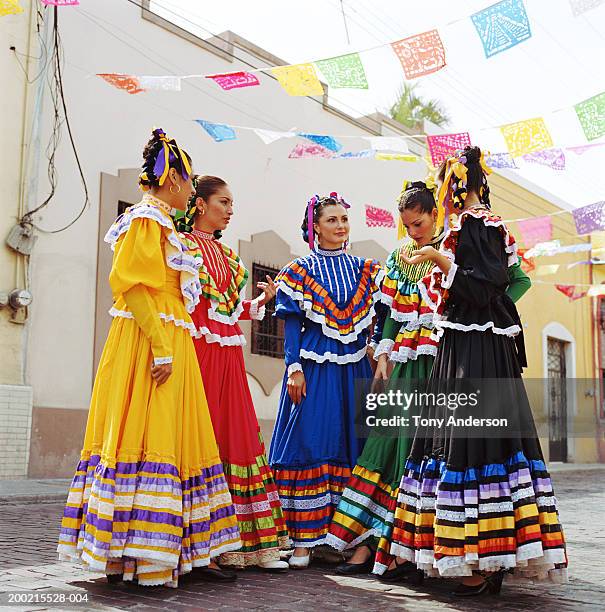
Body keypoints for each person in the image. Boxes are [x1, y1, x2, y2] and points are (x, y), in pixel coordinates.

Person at [57, 129, 241, 588]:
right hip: (150, 336)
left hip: (167, 332)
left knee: (170, 436)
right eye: (189, 178)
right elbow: (133, 285)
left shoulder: (160, 222)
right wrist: (160, 345)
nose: (190, 187)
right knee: (147, 431)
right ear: (174, 178)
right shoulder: (147, 220)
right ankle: (139, 555)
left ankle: (156, 552)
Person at [390, 146, 567, 596]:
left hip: (477, 345)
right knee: (467, 439)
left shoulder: (478, 225)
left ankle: (483, 559)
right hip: (468, 340)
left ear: (455, 187)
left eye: (444, 186)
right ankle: (480, 556)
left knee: (473, 440)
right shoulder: (472, 226)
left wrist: (437, 260)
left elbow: (486, 287)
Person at [176, 175, 290, 571]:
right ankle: (195, 543)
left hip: (228, 356)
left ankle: (238, 542)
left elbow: (229, 309)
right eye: (223, 202)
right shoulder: (181, 246)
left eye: (231, 203)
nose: (229, 209)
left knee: (236, 435)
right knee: (201, 436)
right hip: (196, 351)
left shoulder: (228, 258)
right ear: (201, 204)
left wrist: (262, 299)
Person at [269, 193, 384, 568]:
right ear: (315, 226)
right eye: (332, 220)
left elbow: (382, 314)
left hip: (354, 368)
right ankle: (303, 540)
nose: (340, 226)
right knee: (309, 440)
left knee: (354, 444)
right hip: (314, 367)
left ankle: (346, 538)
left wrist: (375, 345)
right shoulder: (299, 270)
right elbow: (291, 326)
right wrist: (293, 368)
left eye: (344, 220)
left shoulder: (367, 270)